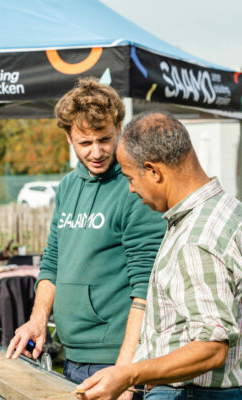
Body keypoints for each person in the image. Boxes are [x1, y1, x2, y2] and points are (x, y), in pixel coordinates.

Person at [6, 78, 166, 397]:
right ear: (68, 137)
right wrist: (38, 320)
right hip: (72, 356)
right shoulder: (67, 186)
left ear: (120, 127)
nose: (96, 152)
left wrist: (126, 376)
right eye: (85, 142)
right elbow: (52, 261)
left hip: (116, 360)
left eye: (104, 139)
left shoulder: (136, 188)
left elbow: (147, 286)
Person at [76, 111, 242, 399]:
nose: (130, 188)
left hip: (192, 393)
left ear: (154, 171)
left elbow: (212, 347)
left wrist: (129, 372)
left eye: (130, 177)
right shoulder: (228, 211)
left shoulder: (196, 240)